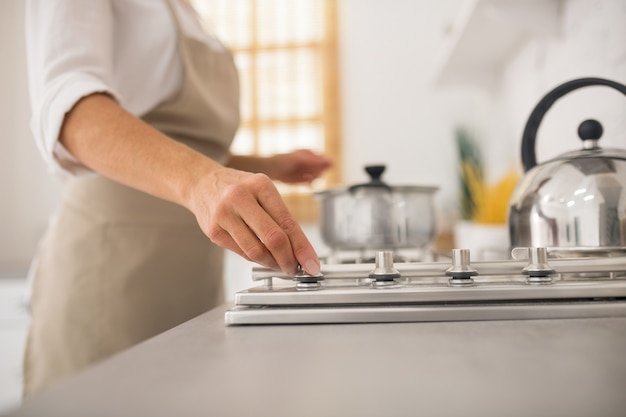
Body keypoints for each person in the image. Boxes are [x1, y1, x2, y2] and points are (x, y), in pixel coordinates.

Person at [23, 0, 331, 396]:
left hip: (192, 272)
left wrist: (268, 165)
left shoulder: (189, 13)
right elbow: (71, 111)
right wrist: (202, 181)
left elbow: (183, 145)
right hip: (110, 266)